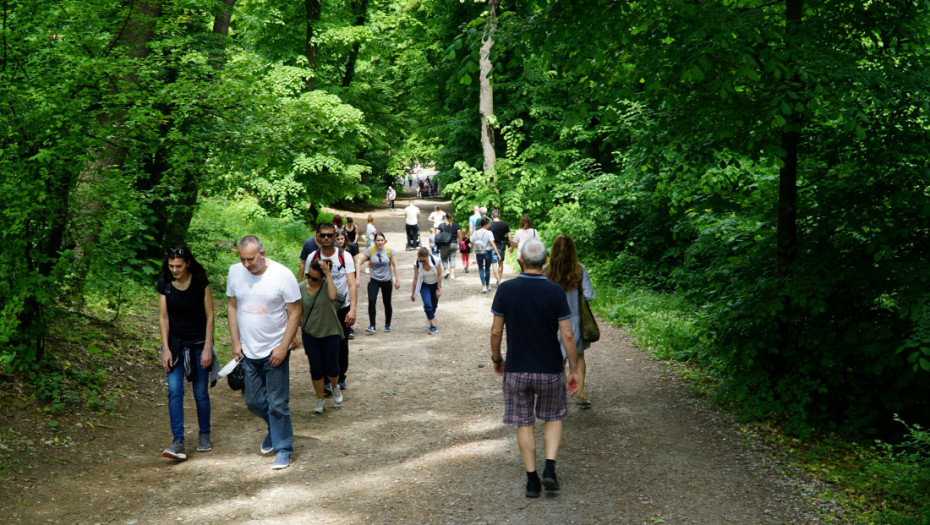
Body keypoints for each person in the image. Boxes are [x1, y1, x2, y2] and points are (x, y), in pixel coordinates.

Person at [490, 238, 579, 498]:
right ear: (546, 261)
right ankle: (549, 469)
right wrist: (573, 369)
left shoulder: (505, 290)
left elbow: (496, 330)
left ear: (520, 260)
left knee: (524, 422)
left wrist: (497, 359)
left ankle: (532, 481)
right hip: (550, 369)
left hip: (517, 369)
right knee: (553, 416)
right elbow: (568, 336)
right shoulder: (555, 292)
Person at [227, 235, 301, 470]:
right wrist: (235, 340)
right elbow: (231, 305)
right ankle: (276, 428)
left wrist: (283, 346)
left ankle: (283, 449)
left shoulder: (282, 275)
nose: (247, 264)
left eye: (251, 259)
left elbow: (295, 312)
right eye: (243, 259)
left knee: (278, 402)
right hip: (248, 350)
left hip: (275, 348)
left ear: (263, 252)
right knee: (252, 400)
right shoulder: (235, 272)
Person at [157, 246, 216, 461]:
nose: (175, 270)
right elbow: (163, 318)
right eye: (171, 266)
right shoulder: (164, 283)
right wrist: (165, 349)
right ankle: (178, 441)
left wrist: (208, 347)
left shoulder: (200, 281)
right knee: (174, 391)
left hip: (199, 343)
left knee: (200, 392)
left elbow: (210, 315)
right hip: (175, 345)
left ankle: (204, 434)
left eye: (179, 266)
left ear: (188, 263)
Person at [301, 223, 358, 392]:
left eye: (330, 235)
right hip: (320, 308)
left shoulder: (344, 256)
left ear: (335, 236)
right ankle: (325, 380)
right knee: (321, 342)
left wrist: (353, 309)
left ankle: (340, 377)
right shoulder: (313, 256)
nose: (326, 238)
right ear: (317, 235)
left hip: (342, 307)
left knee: (341, 342)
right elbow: (306, 282)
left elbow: (352, 284)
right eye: (323, 235)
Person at [545, 234, 596, 406]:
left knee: (559, 359)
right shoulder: (580, 269)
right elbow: (589, 295)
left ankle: (560, 395)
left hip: (552, 323)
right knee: (579, 356)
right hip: (575, 321)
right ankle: (580, 393)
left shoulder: (546, 271)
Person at [299, 259, 344, 414]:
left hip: (330, 331)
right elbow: (295, 312)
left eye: (314, 278)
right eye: (308, 276)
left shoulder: (327, 286)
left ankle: (335, 386)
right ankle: (320, 399)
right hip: (310, 333)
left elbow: (333, 296)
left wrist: (328, 274)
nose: (310, 280)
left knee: (332, 367)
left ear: (322, 278)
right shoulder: (300, 288)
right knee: (316, 368)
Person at [357, 232, 400, 333]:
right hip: (374, 280)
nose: (380, 242)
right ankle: (372, 325)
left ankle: (387, 324)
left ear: (384, 241)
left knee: (387, 302)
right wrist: (357, 275)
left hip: (386, 280)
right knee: (372, 301)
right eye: (378, 240)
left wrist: (397, 280)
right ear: (375, 241)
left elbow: (395, 265)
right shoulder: (370, 250)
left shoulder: (389, 251)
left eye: (381, 240)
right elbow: (359, 261)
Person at [411, 247, 443, 334]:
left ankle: (431, 315)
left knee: (433, 305)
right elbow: (415, 278)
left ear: (428, 256)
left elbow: (440, 275)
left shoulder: (435, 260)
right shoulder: (417, 263)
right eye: (420, 260)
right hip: (424, 285)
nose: (422, 262)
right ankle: (433, 326)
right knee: (428, 304)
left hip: (435, 284)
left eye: (424, 260)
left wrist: (438, 289)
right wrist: (413, 293)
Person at [335, 230, 359, 340]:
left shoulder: (351, 248)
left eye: (342, 239)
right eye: (338, 239)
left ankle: (350, 326)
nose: (340, 241)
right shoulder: (333, 253)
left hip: (350, 278)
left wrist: (357, 277)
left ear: (345, 239)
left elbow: (357, 262)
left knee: (349, 301)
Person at [470, 217, 502, 293]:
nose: (490, 225)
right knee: (487, 269)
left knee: (481, 269)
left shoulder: (476, 232)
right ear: (486, 224)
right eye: (489, 224)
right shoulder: (489, 233)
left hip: (479, 252)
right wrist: (497, 253)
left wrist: (474, 247)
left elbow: (472, 242)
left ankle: (484, 286)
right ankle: (487, 285)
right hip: (488, 252)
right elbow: (492, 243)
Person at [489, 209, 511, 286]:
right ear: (499, 215)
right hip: (502, 246)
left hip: (493, 246)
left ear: (492, 216)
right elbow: (509, 235)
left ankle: (498, 281)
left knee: (494, 263)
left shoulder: (490, 225)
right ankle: (499, 280)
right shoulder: (504, 224)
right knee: (500, 263)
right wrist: (510, 245)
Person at [437, 212, 461, 280]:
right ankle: (452, 275)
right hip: (453, 244)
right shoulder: (455, 225)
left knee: (444, 258)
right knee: (452, 258)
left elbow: (437, 234)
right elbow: (459, 233)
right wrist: (459, 242)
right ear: (451, 217)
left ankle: (447, 271)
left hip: (444, 244)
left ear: (445, 218)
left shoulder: (441, 225)